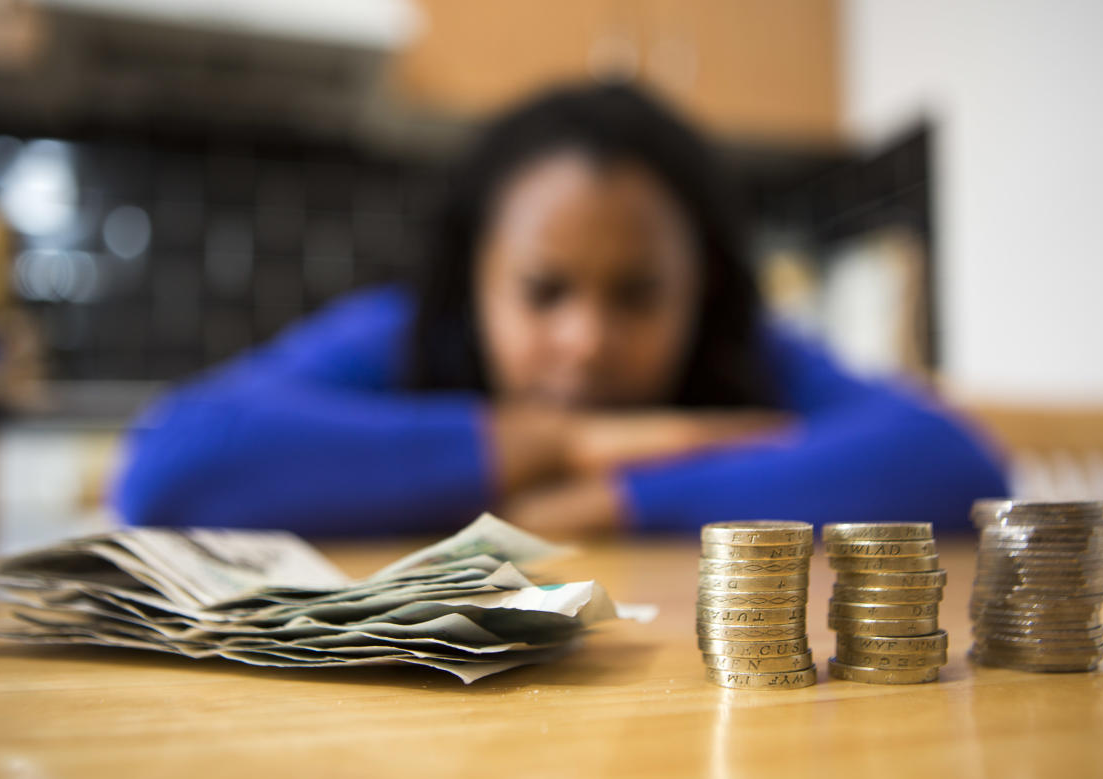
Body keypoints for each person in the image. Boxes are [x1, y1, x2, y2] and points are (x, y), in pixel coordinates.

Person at [113, 82, 1007, 537]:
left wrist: (619, 497)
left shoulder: (745, 355)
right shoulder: (404, 335)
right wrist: (557, 442)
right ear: (475, 283)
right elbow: (170, 466)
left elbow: (956, 463)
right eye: (544, 293)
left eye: (639, 293)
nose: (585, 342)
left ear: (702, 288)